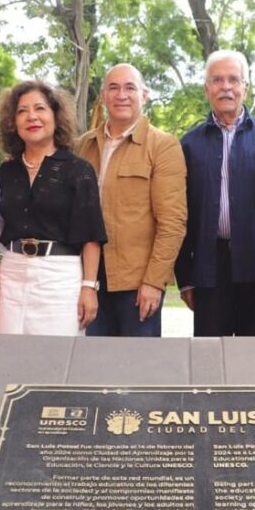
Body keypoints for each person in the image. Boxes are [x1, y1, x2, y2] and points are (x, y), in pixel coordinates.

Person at [74, 64, 186, 336]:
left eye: (129, 88)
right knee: (91, 370)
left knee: (138, 372)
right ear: (102, 96)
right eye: (113, 88)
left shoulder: (163, 146)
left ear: (144, 95)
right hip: (87, 279)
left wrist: (153, 282)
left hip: (137, 285)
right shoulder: (82, 146)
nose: (121, 95)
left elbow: (173, 222)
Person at [176, 50, 255, 336]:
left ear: (245, 87)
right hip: (209, 268)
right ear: (206, 88)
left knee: (253, 361)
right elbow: (180, 216)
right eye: (217, 80)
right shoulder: (187, 145)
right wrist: (185, 279)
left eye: (233, 79)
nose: (226, 87)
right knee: (209, 359)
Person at [0, 81, 106, 334]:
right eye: (22, 111)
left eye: (40, 108)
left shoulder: (78, 170)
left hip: (60, 278)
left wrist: (89, 287)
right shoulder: (6, 171)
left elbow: (91, 236)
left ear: (56, 116)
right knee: (10, 361)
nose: (31, 116)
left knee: (55, 362)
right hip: (11, 275)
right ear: (13, 122)